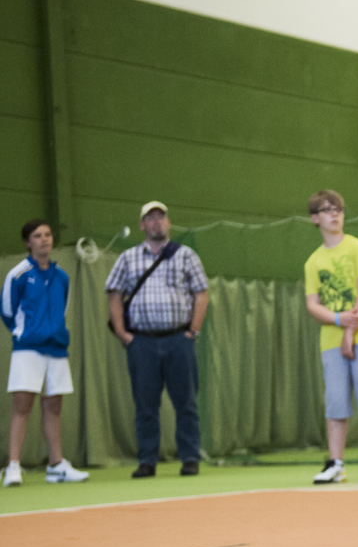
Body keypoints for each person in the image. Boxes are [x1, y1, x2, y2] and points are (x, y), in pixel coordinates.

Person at [106, 202, 209, 478]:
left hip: (179, 339)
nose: (156, 223)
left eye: (160, 217)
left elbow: (202, 293)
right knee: (145, 405)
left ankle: (189, 457)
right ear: (142, 225)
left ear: (168, 222)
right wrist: (122, 333)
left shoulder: (186, 255)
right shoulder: (127, 258)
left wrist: (193, 331)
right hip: (142, 342)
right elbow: (114, 294)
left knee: (186, 403)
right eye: (149, 218)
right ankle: (147, 460)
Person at [304, 190, 358, 485]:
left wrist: (350, 331)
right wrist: (339, 321)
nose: (334, 213)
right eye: (326, 210)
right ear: (315, 218)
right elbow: (313, 304)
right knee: (336, 402)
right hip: (331, 341)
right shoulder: (313, 262)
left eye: (338, 208)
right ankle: (336, 464)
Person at [2, 220, 89, 487]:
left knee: (53, 407)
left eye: (48, 235)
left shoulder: (62, 276)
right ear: (28, 242)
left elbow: (62, 310)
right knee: (22, 407)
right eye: (37, 236)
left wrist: (53, 333)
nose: (44, 239)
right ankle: (13, 466)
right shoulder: (18, 274)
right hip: (28, 349)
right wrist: (26, 333)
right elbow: (7, 311)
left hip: (57, 349)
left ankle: (56, 465)